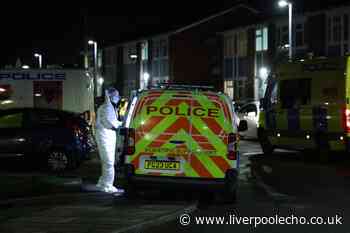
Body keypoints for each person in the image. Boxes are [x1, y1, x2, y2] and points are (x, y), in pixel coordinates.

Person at [95, 87, 123, 193]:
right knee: (109, 162)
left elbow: (112, 121)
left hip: (106, 136)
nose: (118, 98)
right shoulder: (107, 107)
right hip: (105, 136)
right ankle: (107, 185)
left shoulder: (108, 107)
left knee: (106, 162)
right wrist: (121, 124)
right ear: (111, 96)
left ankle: (103, 182)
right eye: (116, 96)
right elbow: (110, 122)